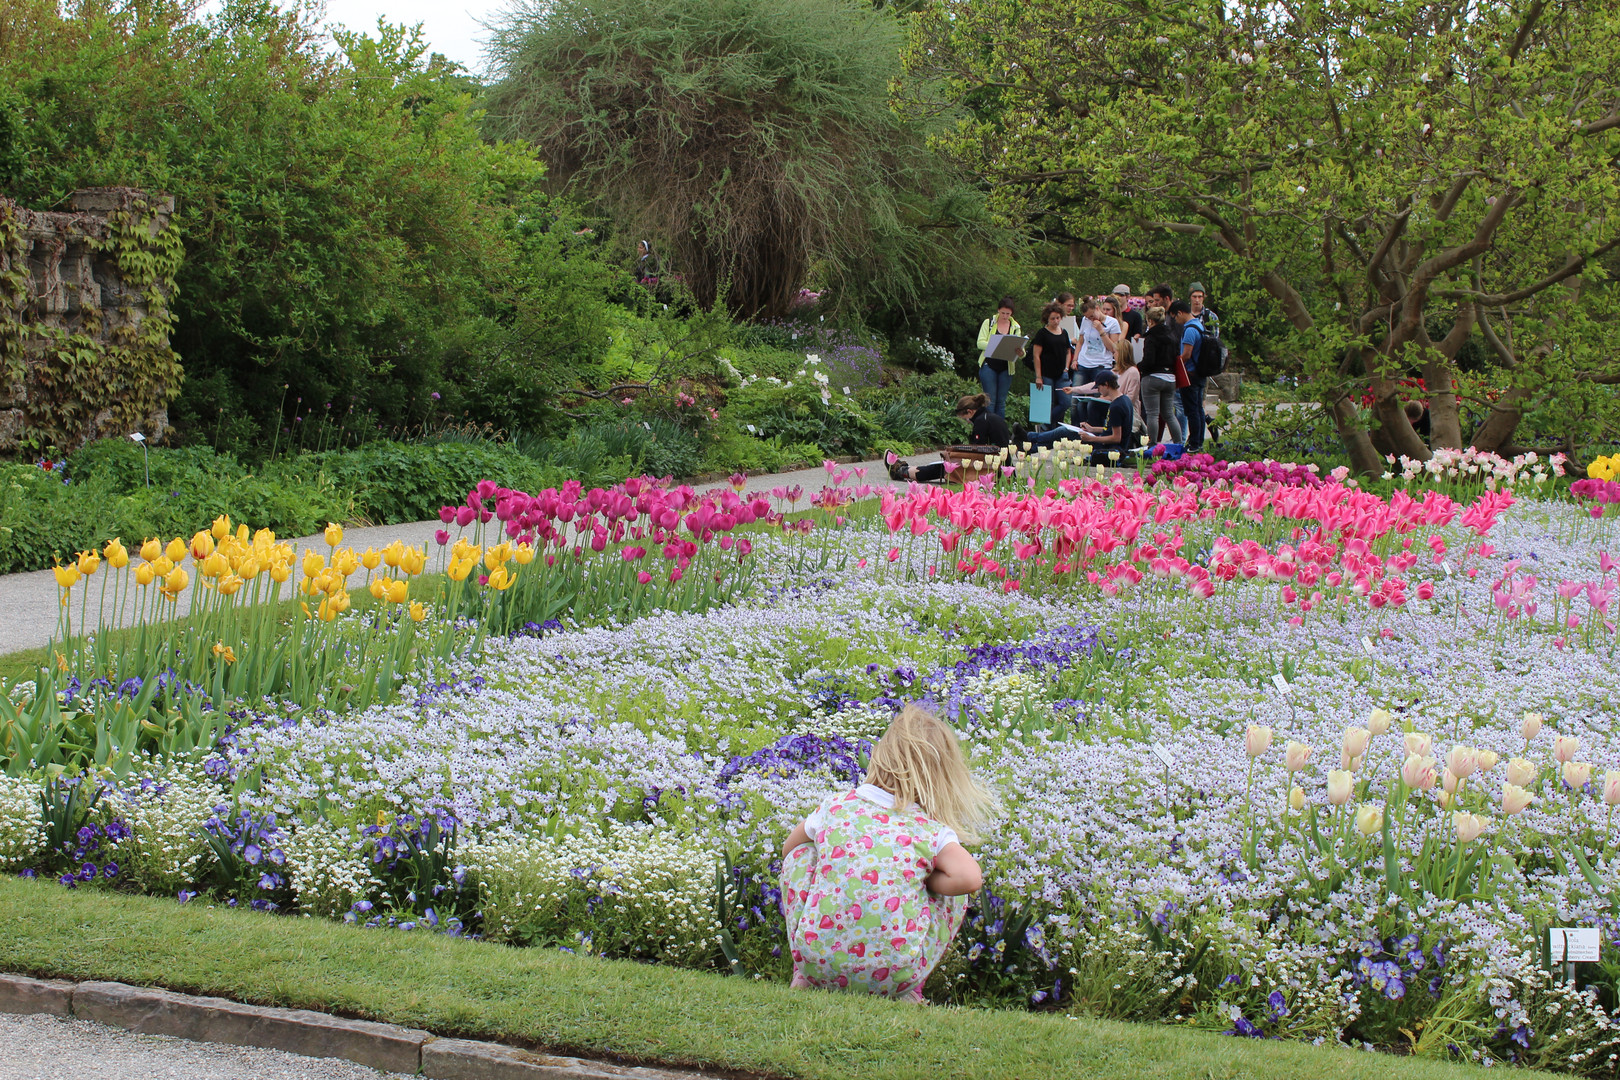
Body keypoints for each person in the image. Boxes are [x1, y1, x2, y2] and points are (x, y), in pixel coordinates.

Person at [779, 704, 991, 1000]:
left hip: (818, 962)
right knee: (955, 894)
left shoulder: (837, 806)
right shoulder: (928, 830)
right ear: (942, 776)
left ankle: (804, 973)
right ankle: (911, 989)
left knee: (801, 857)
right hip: (893, 975)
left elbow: (790, 848)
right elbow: (970, 878)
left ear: (880, 757)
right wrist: (926, 880)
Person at [889, 394, 1011, 482]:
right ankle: (905, 469)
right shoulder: (990, 417)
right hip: (1000, 462)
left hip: (992, 466)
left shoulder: (981, 422)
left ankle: (902, 471)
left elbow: (977, 450)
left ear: (969, 412)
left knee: (943, 468)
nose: (967, 422)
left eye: (965, 418)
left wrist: (954, 455)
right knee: (945, 466)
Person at [1023, 371, 1134, 457]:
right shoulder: (1124, 400)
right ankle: (1032, 447)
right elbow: (1111, 429)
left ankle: (1030, 437)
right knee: (1064, 434)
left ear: (1106, 385)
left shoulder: (1116, 406)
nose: (1098, 391)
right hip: (1108, 443)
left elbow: (1116, 438)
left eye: (1099, 387)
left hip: (1108, 447)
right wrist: (1092, 429)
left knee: (1064, 431)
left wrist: (1091, 439)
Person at [1137, 305, 1183, 445]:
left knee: (1152, 414)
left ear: (1150, 321)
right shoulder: (1172, 336)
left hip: (1153, 378)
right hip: (1170, 378)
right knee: (1169, 414)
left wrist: (1138, 367)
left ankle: (1152, 445)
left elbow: (1149, 361)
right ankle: (1178, 443)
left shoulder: (1151, 337)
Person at [973, 297, 1021, 419]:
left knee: (1001, 402)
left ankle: (999, 431)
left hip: (1006, 367)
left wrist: (1021, 352)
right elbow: (980, 343)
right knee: (990, 400)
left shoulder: (1015, 327)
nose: (1005, 316)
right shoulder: (989, 323)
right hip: (989, 365)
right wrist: (996, 345)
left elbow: (1019, 347)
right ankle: (987, 429)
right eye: (1002, 313)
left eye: (1008, 314)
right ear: (998, 310)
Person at [1170, 299, 1208, 451]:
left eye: (1175, 317)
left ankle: (1194, 443)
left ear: (1180, 313)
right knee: (1198, 409)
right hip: (1199, 373)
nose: (1176, 321)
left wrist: (1175, 363)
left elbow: (1186, 354)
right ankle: (1198, 441)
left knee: (1192, 410)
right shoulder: (1199, 325)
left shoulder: (1190, 329)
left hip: (1190, 374)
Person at [1028, 302, 1072, 428]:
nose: (1056, 321)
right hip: (1046, 373)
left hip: (1061, 373)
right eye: (1052, 318)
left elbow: (1068, 351)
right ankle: (1049, 429)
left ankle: (1046, 424)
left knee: (1065, 402)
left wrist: (1066, 368)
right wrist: (1038, 376)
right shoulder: (1042, 333)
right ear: (1047, 318)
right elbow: (1036, 355)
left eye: (1058, 318)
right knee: (1049, 402)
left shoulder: (1064, 332)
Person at [1074, 298, 1120, 390]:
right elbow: (1080, 341)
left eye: (1092, 316)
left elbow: (1113, 348)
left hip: (1101, 365)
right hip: (1083, 363)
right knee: (1076, 394)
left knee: (1096, 397)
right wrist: (1075, 359)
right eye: (1088, 317)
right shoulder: (1085, 320)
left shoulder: (1113, 323)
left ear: (1097, 309)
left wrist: (1101, 330)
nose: (1091, 319)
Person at [1113, 284, 1145, 352]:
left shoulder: (1135, 316)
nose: (1118, 298)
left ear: (1128, 297)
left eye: (1121, 295)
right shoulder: (1111, 314)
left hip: (1126, 351)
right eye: (1115, 295)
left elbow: (1138, 333)